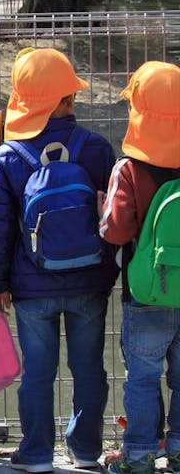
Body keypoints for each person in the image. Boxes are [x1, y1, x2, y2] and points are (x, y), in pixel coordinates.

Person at [0, 48, 117, 473]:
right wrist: (107, 271)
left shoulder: (8, 156)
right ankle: (86, 451)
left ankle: (37, 453)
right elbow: (113, 216)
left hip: (31, 285)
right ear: (69, 99)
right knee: (89, 369)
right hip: (88, 281)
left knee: (38, 372)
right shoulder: (95, 149)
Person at [98, 61, 180, 474]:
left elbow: (114, 232)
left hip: (146, 292)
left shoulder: (129, 168)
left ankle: (140, 455)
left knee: (143, 377)